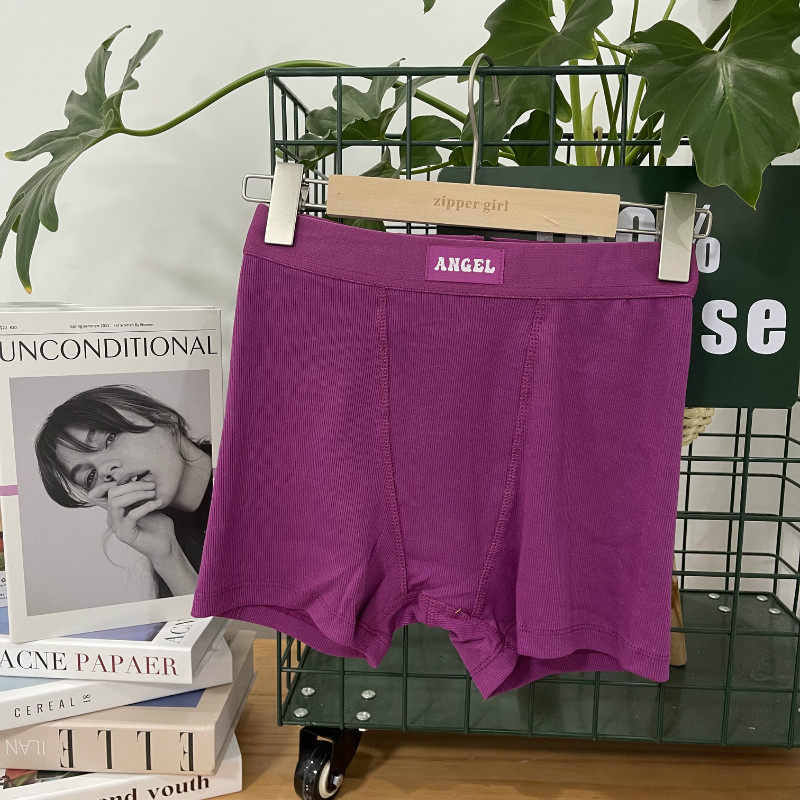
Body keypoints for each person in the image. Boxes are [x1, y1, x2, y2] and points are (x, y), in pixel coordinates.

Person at [34, 384, 212, 599]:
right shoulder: (167, 546)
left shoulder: (249, 466)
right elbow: (218, 622)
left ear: (160, 416)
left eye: (110, 438)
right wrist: (169, 558)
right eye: (90, 476)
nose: (104, 470)